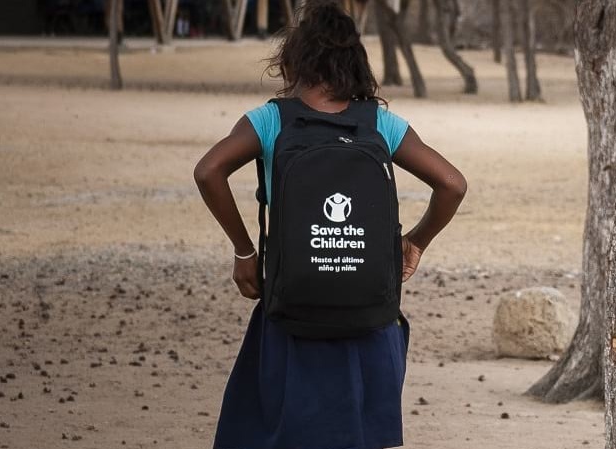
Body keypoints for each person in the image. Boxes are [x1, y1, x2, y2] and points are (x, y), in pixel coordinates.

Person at [192, 2, 467, 448]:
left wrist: (245, 252)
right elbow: (452, 184)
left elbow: (208, 172)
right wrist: (415, 241)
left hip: (292, 311)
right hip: (369, 320)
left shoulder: (270, 120)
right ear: (354, 63)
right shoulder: (379, 123)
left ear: (292, 61)